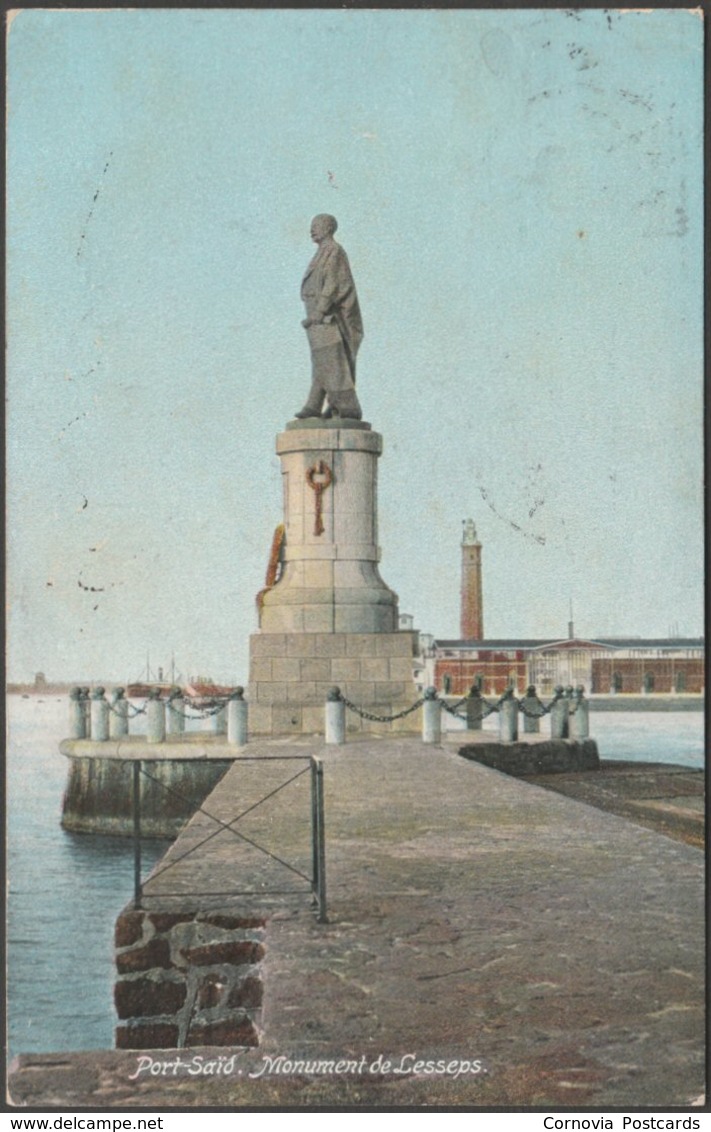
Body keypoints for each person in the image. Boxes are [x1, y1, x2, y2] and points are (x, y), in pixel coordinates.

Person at [295, 214, 364, 420]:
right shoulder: (322, 253)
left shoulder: (334, 251)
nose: (312, 230)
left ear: (328, 228)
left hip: (328, 318)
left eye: (316, 226)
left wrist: (320, 311)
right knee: (322, 361)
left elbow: (334, 284)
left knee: (332, 360)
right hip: (317, 317)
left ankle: (345, 406)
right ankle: (317, 405)